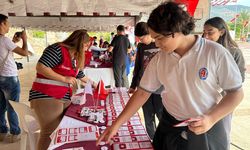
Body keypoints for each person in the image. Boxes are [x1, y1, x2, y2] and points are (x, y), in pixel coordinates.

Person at [97, 2, 244, 150]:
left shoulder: (214, 52)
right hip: (170, 124)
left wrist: (212, 118)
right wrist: (116, 124)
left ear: (177, 30)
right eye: (154, 38)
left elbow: (236, 93)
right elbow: (142, 93)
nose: (157, 43)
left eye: (160, 38)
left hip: (205, 125)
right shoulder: (160, 58)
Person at [29, 29, 97, 150]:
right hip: (46, 95)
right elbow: (41, 67)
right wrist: (64, 78)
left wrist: (95, 84)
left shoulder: (73, 57)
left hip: (62, 96)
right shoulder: (57, 49)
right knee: (49, 133)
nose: (86, 50)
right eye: (86, 46)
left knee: (64, 128)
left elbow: (80, 75)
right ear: (81, 44)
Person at [128, 22, 163, 140]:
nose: (141, 40)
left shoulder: (161, 44)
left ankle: (162, 140)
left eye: (142, 38)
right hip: (144, 87)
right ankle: (152, 139)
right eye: (139, 39)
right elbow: (137, 66)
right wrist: (133, 85)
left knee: (161, 115)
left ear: (150, 33)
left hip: (161, 89)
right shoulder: (141, 46)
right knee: (148, 117)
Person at [0, 14, 29, 143]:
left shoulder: (5, 41)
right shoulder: (4, 40)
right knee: (12, 105)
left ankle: (2, 131)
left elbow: (5, 50)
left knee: (1, 106)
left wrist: (14, 41)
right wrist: (25, 39)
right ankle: (15, 133)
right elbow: (24, 52)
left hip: (0, 77)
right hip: (10, 77)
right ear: (2, 24)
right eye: (7, 23)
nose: (9, 25)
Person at [203, 17, 245, 82]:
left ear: (222, 32)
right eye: (204, 32)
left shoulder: (235, 52)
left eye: (210, 33)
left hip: (224, 91)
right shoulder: (203, 50)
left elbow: (240, 77)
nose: (205, 37)